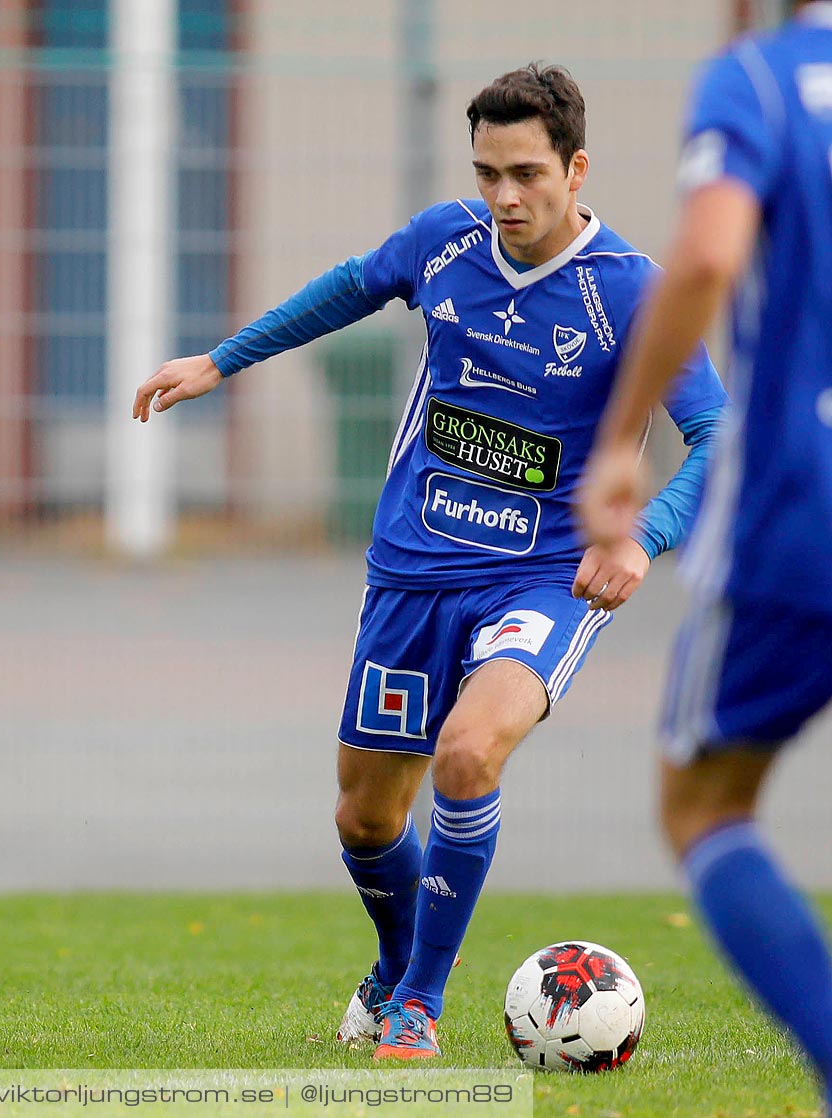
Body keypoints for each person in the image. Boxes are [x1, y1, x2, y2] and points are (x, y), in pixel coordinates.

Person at [134, 64, 726, 1059]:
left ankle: (418, 1001)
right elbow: (346, 290)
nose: (505, 196)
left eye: (528, 173)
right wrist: (220, 360)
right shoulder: (443, 240)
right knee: (367, 814)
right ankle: (393, 963)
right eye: (489, 171)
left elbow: (717, 433)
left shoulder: (630, 291)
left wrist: (643, 534)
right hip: (413, 565)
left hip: (545, 573)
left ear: (577, 169)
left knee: (466, 752)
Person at [578, 3, 832, 1108]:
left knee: (704, 803)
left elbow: (711, 252)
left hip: (801, 507)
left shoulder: (762, 81)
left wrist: (619, 442)